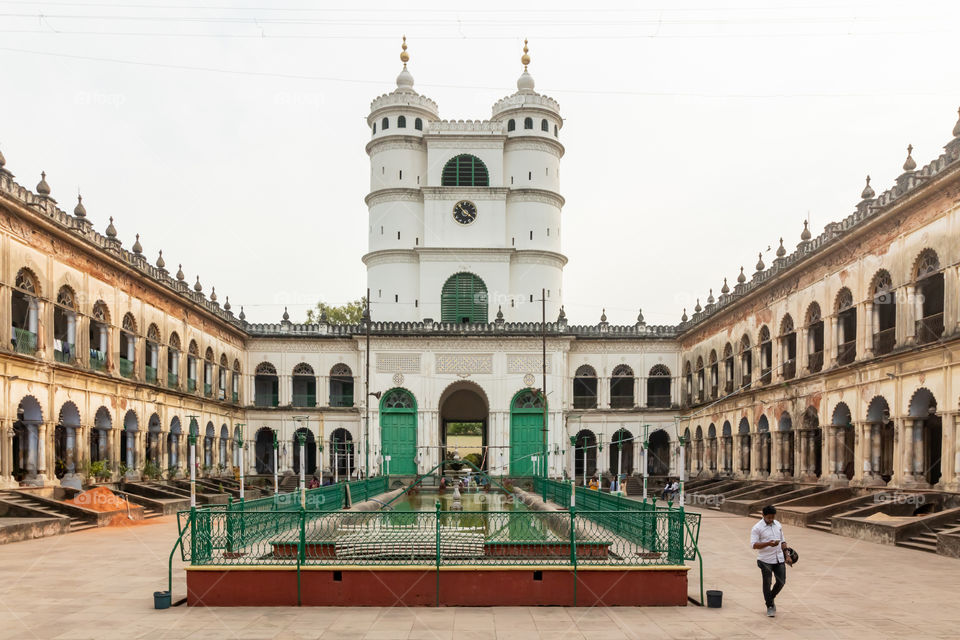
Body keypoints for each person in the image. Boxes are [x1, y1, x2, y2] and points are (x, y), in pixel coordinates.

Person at [751, 505, 793, 617]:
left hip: (779, 558)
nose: (771, 520)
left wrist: (787, 555)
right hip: (765, 560)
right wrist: (768, 543)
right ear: (763, 515)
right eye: (769, 517)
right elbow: (754, 545)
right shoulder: (757, 528)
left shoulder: (778, 525)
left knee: (781, 582)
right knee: (767, 583)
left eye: (772, 517)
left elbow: (783, 541)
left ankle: (770, 598)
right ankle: (770, 606)